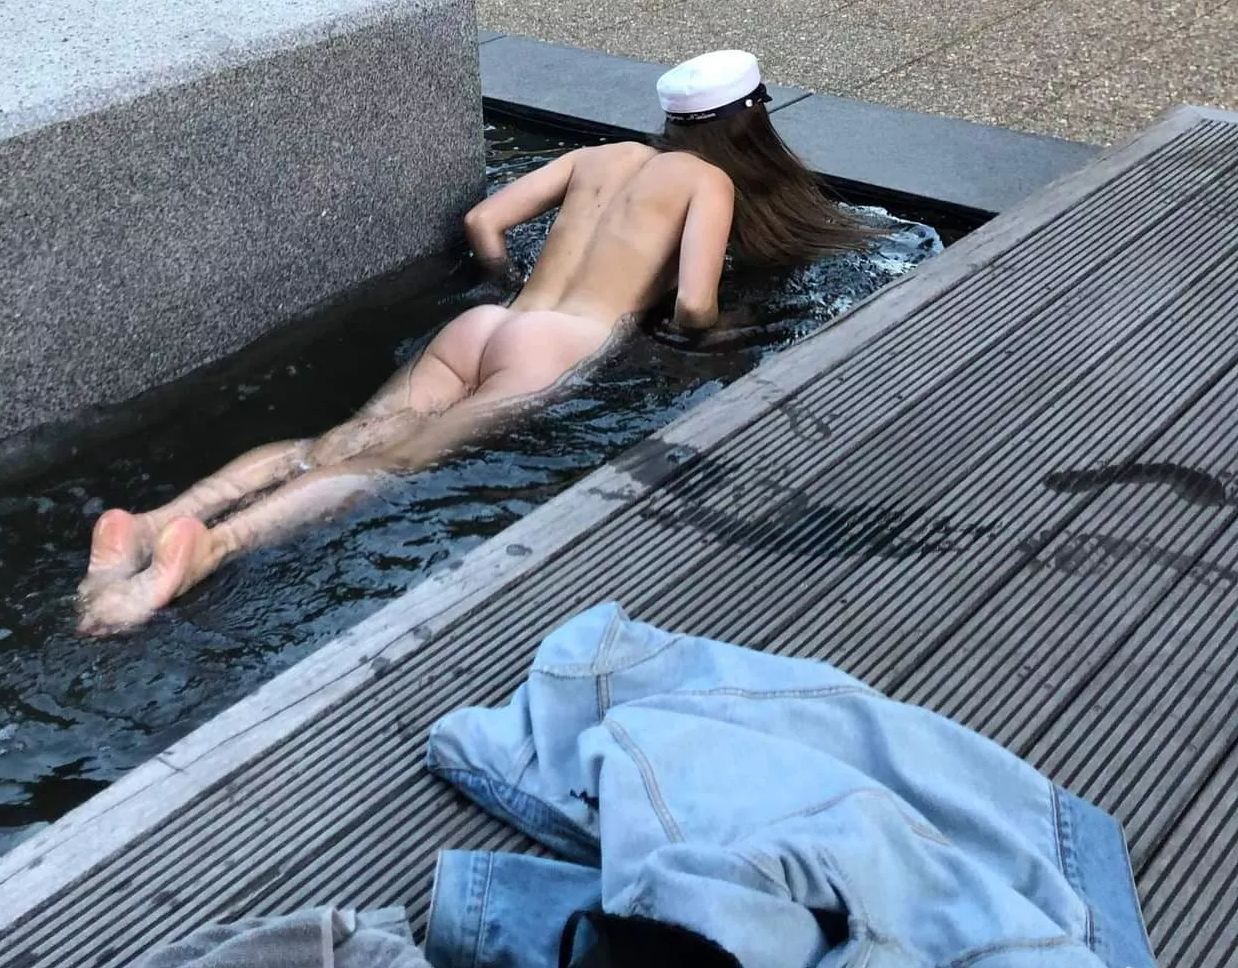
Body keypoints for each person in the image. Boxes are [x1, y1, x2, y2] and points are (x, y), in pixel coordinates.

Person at [76, 50, 866, 636]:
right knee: (392, 465)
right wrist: (695, 332)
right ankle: (213, 547)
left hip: (489, 325)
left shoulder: (598, 157)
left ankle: (159, 520)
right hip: (559, 347)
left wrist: (502, 286)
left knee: (341, 439)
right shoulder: (709, 182)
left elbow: (484, 223)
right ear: (750, 119)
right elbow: (695, 303)